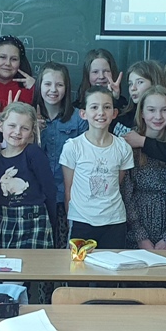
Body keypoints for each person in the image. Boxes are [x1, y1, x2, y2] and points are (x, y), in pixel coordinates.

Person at [121, 85, 166, 274]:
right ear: (142, 113)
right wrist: (140, 235)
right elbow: (125, 193)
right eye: (151, 110)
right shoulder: (129, 143)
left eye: (164, 110)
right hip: (135, 222)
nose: (158, 116)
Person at [61, 86, 134, 249]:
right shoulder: (73, 147)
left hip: (114, 221)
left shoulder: (123, 148)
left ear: (114, 113)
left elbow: (117, 182)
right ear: (83, 113)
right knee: (78, 264)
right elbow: (68, 189)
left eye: (107, 107)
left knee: (112, 264)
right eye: (94, 107)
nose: (101, 112)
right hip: (81, 220)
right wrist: (70, 217)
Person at [0, 102, 57, 249]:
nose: (17, 132)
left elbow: (49, 189)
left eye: (24, 128)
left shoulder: (33, 153)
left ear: (31, 132)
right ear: (1, 126)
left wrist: (52, 223)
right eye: (12, 126)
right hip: (5, 221)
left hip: (35, 221)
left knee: (33, 263)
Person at [36, 62, 87, 249]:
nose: (53, 90)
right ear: (39, 85)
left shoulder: (79, 118)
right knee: (40, 249)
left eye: (59, 84)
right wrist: (33, 130)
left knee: (65, 249)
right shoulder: (28, 116)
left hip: (68, 196)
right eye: (48, 84)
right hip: (38, 197)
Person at [113, 60, 164, 137]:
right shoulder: (124, 112)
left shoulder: (160, 117)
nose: (133, 88)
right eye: (130, 84)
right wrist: (114, 98)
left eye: (140, 82)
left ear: (154, 83)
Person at [0, 35, 34, 110]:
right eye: (2, 57)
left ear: (20, 62)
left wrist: (36, 89)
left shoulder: (29, 89)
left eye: (14, 59)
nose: (7, 63)